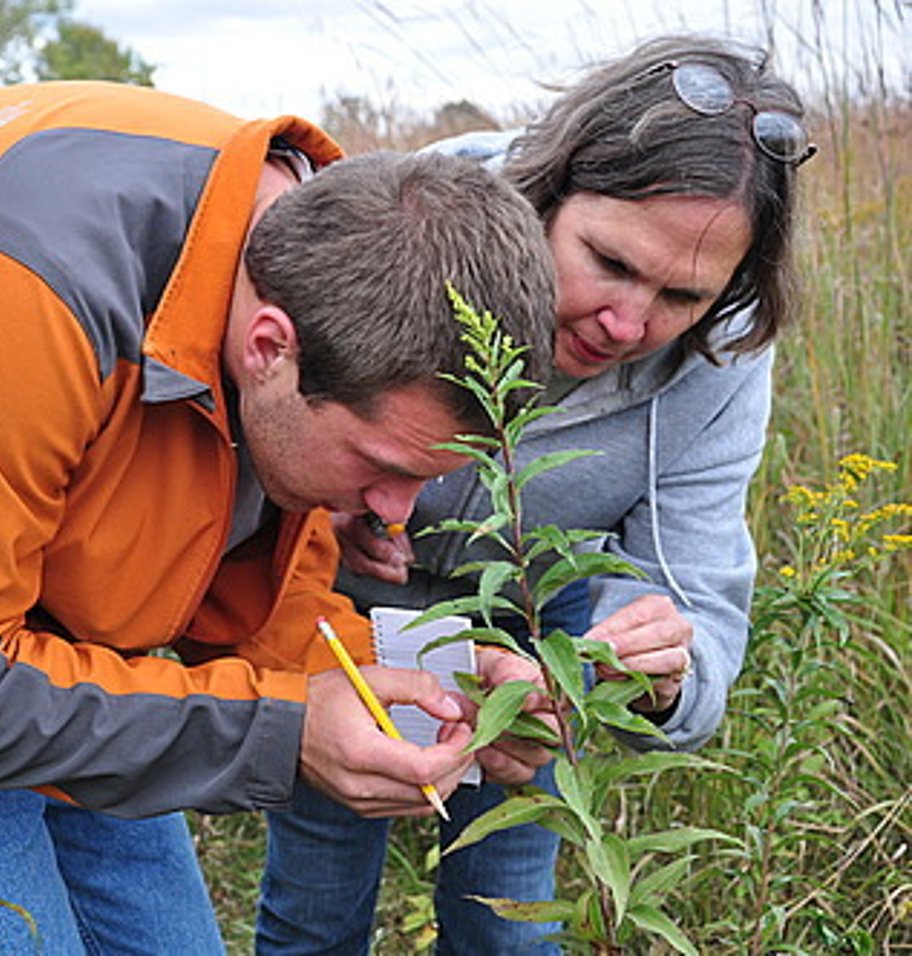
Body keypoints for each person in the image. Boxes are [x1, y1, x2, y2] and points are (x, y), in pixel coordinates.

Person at [0, 80, 561, 953]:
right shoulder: (20, 289)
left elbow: (256, 587)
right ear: (270, 349)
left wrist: (423, 681)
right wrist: (281, 733)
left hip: (62, 648)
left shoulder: (321, 259)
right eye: (383, 469)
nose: (397, 517)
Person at [255, 33, 813, 955]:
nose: (629, 323)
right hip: (340, 616)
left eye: (683, 296)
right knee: (318, 900)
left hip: (531, 633)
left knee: (508, 923)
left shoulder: (721, 358)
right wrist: (321, 501)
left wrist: (663, 669)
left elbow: (691, 590)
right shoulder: (414, 216)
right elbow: (264, 403)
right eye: (611, 262)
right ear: (548, 192)